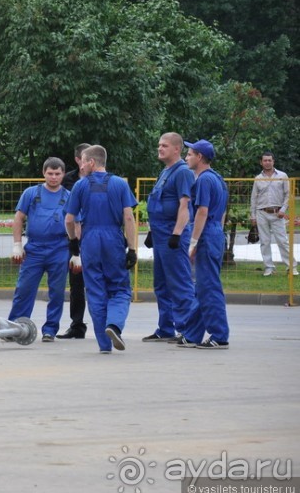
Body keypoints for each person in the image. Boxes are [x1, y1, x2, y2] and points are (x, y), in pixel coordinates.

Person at [65, 145, 138, 353]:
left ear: (91, 162)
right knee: (120, 288)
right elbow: (128, 217)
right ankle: (114, 325)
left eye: (83, 161)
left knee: (96, 291)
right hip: (113, 238)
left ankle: (104, 345)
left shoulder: (80, 185)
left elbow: (69, 219)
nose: (80, 165)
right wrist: (132, 249)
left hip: (89, 239)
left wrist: (73, 243)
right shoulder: (119, 184)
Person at [141, 132, 199, 342]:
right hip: (160, 234)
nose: (160, 148)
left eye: (164, 145)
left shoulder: (182, 172)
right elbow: (160, 202)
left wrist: (176, 234)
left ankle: (187, 330)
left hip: (172, 235)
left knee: (179, 283)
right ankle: (166, 328)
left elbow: (184, 206)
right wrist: (151, 231)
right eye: (159, 145)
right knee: (162, 284)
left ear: (177, 149)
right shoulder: (165, 171)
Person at [8, 157, 70, 342]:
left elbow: (76, 224)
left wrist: (76, 252)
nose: (53, 177)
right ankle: (14, 327)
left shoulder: (69, 197)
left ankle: (50, 330)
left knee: (57, 292)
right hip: (34, 249)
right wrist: (17, 244)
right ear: (44, 173)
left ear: (63, 174)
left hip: (59, 249)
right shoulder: (31, 193)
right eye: (50, 173)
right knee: (24, 289)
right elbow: (18, 218)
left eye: (57, 174)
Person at [178, 139, 230, 349]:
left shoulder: (203, 180)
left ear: (199, 157)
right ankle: (192, 334)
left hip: (207, 232)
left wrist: (193, 242)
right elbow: (222, 211)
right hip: (215, 230)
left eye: (189, 154)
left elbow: (202, 212)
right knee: (202, 286)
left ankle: (220, 335)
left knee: (209, 287)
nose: (186, 158)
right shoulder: (217, 178)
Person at [57, 143, 90, 339]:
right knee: (76, 282)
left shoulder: (105, 179)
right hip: (75, 237)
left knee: (100, 281)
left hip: (96, 233)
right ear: (78, 160)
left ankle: (110, 323)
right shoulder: (68, 180)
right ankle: (77, 324)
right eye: (86, 158)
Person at [250, 152, 297, 276]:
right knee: (265, 242)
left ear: (273, 161)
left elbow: (288, 194)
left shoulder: (282, 175)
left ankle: (291, 267)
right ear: (261, 162)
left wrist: (283, 209)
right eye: (265, 160)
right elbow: (253, 198)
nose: (267, 162)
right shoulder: (258, 178)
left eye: (269, 160)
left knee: (282, 241)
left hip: (278, 213)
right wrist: (253, 216)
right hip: (261, 213)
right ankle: (269, 267)